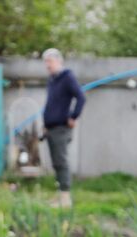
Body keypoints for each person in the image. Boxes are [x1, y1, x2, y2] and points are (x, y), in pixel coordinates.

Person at [41, 48, 86, 209]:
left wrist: (74, 116)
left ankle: (66, 199)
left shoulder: (67, 77)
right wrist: (46, 125)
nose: (47, 65)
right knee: (56, 163)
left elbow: (81, 97)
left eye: (50, 61)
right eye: (46, 62)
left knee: (61, 161)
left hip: (61, 128)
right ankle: (60, 195)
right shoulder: (52, 80)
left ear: (59, 61)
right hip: (51, 128)